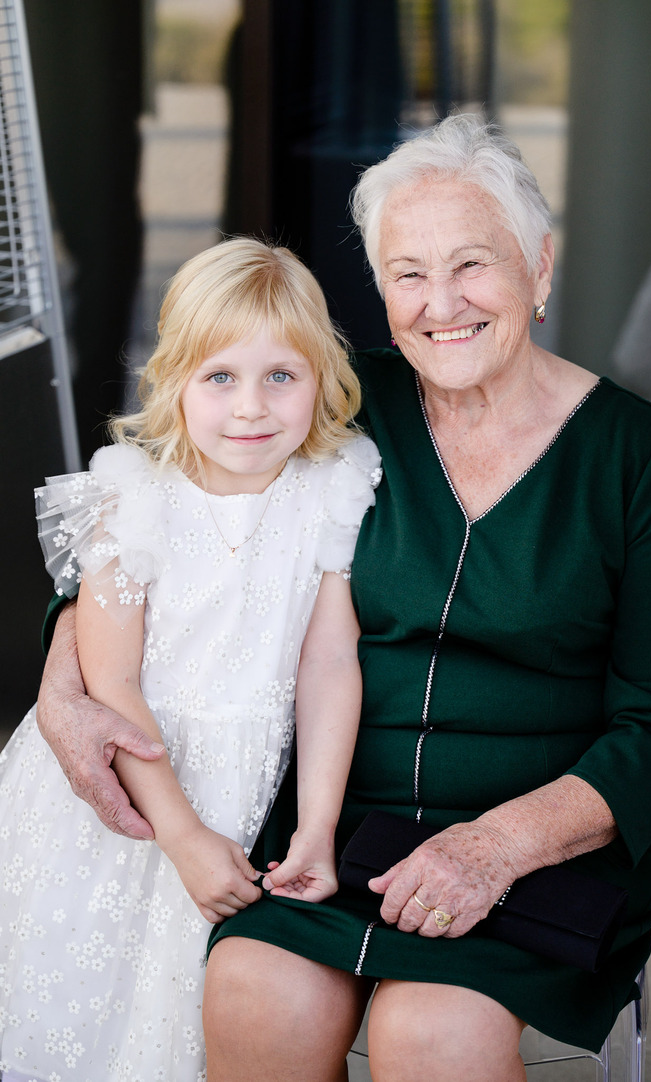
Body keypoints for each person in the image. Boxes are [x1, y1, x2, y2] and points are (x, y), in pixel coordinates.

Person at [35, 116, 651, 1082]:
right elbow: (155, 516)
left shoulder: (631, 453)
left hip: (537, 840)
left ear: (540, 268)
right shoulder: (342, 407)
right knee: (257, 995)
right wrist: (67, 676)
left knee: (430, 1036)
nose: (442, 304)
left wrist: (494, 847)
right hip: (333, 824)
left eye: (473, 264)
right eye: (408, 274)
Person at [0, 237, 381, 1082]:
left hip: (244, 790)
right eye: (220, 377)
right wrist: (180, 833)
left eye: (281, 375)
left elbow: (327, 668)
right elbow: (112, 684)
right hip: (126, 800)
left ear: (322, 377)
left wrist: (317, 829)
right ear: (174, 380)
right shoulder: (134, 496)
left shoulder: (330, 489)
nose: (251, 407)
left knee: (175, 1024)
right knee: (76, 1004)